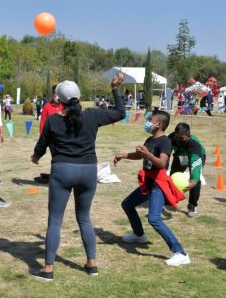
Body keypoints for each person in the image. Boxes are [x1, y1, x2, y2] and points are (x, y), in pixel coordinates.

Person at [30, 74, 125, 281]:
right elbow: (120, 112)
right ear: (79, 96)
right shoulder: (92, 115)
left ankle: (48, 269)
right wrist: (115, 89)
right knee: (84, 218)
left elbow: (42, 145)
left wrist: (35, 157)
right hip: (88, 170)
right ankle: (92, 265)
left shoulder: (54, 119)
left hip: (62, 171)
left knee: (55, 220)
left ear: (59, 99)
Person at [114, 110, 190, 267]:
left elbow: (162, 163)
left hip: (158, 185)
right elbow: (140, 155)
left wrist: (147, 154)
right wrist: (124, 155)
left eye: (150, 119)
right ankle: (139, 235)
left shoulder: (165, 142)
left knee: (154, 218)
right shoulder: (150, 139)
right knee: (127, 204)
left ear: (159, 124)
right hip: (148, 183)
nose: (147, 121)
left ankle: (180, 253)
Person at [168, 123, 206, 217]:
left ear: (188, 136)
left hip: (196, 157)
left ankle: (192, 205)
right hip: (181, 156)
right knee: (173, 176)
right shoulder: (171, 138)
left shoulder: (194, 144)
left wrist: (194, 179)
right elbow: (166, 155)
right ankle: (171, 199)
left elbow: (195, 163)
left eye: (182, 138)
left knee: (195, 181)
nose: (178, 140)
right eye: (177, 137)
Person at [34, 85, 64, 184]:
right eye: (56, 94)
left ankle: (59, 177)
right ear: (53, 94)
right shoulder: (47, 106)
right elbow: (43, 122)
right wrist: (42, 135)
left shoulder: (64, 106)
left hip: (64, 137)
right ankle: (55, 178)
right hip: (51, 138)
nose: (58, 96)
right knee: (55, 157)